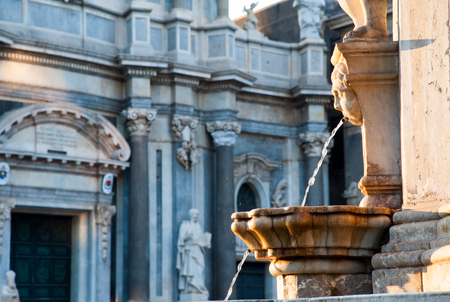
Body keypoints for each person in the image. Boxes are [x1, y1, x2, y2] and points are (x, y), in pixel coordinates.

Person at [176, 209, 211, 298]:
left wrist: (206, 243)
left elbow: (200, 239)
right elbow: (181, 239)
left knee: (200, 269)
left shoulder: (199, 226)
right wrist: (187, 236)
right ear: (191, 215)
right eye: (195, 214)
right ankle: (190, 289)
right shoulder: (185, 225)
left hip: (198, 250)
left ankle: (199, 289)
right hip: (189, 251)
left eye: (198, 214)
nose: (197, 216)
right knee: (190, 270)